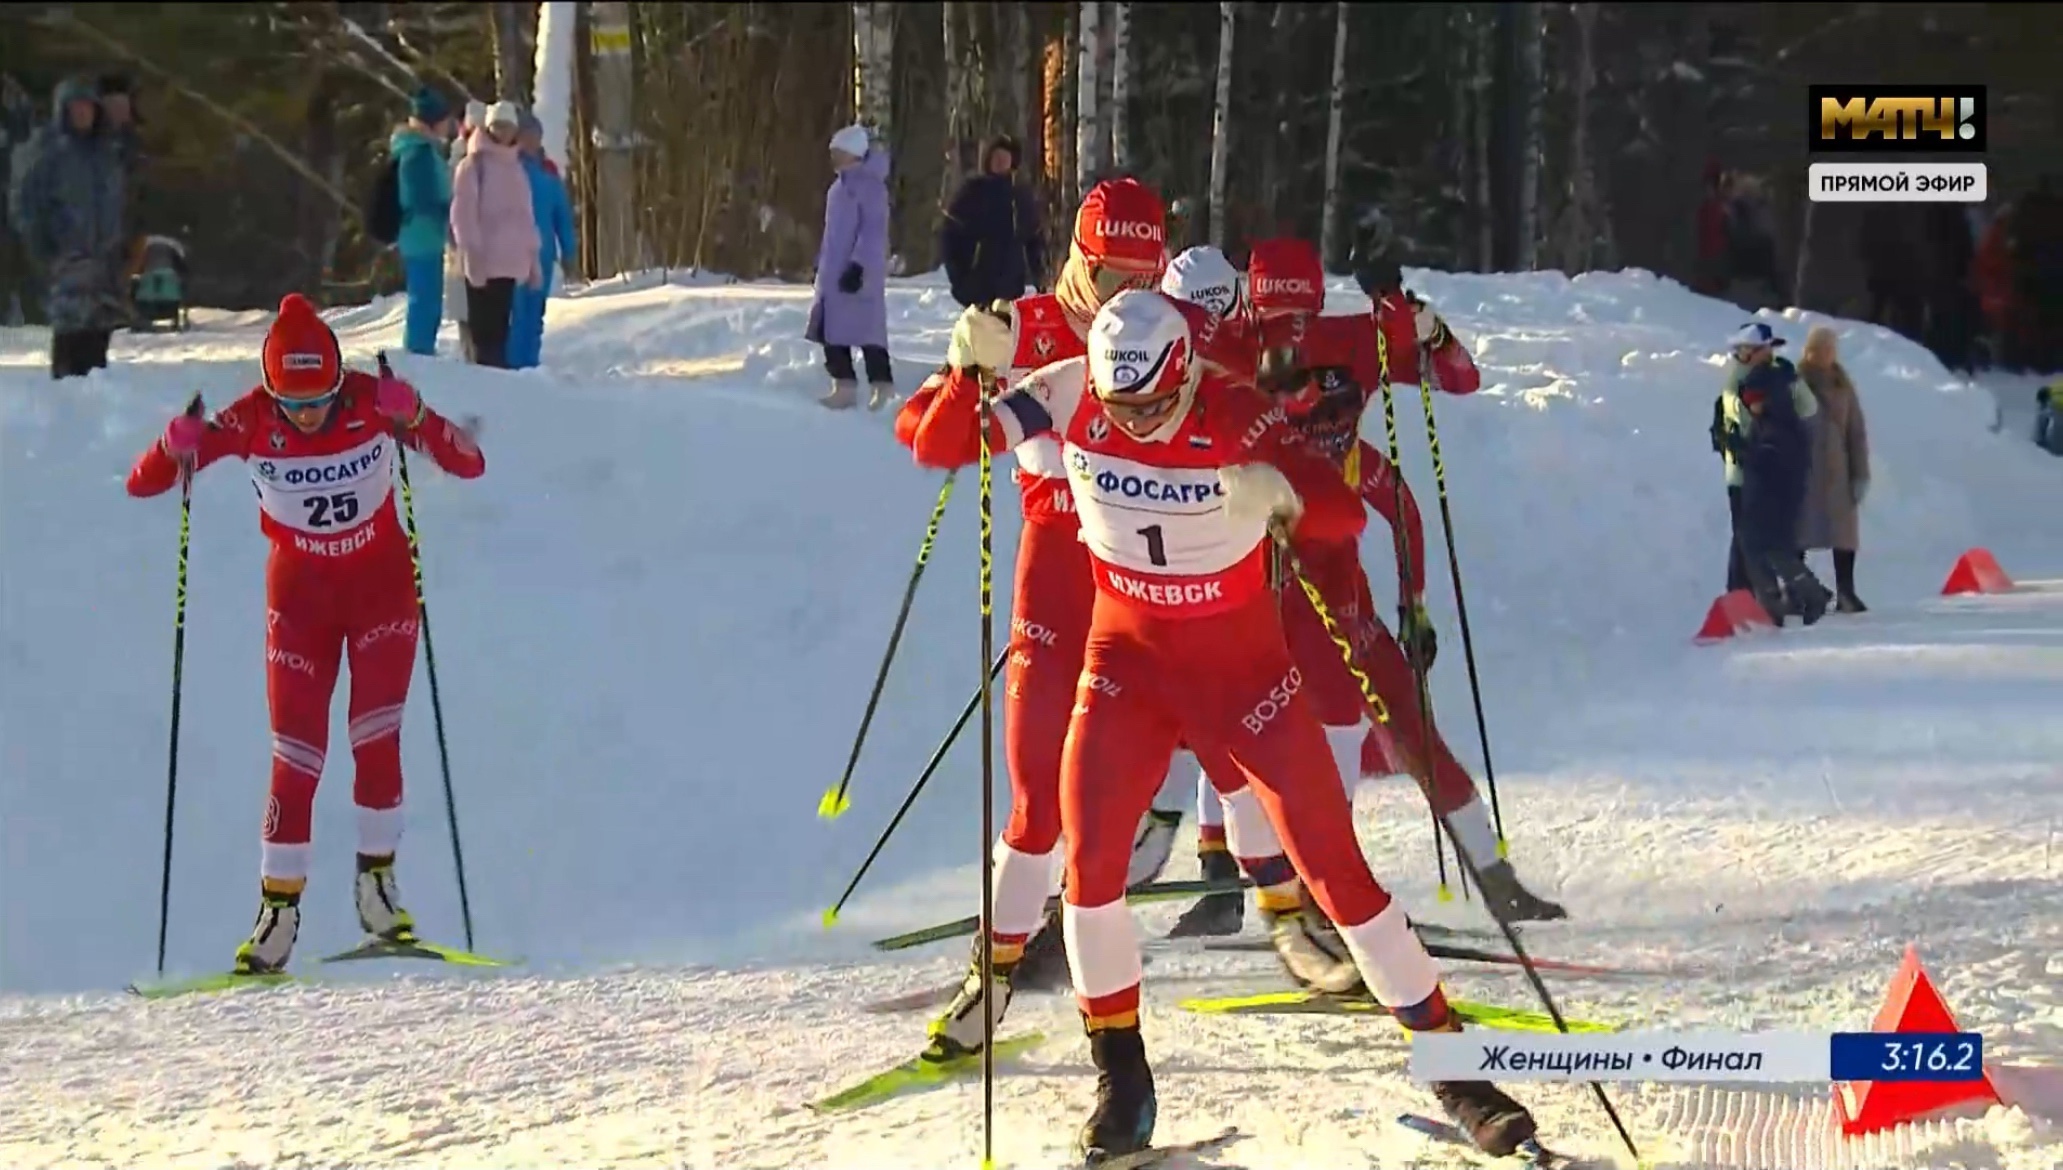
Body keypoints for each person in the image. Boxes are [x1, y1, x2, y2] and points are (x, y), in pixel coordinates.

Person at [916, 289, 1543, 1162]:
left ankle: (1457, 1071)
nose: (1133, 423)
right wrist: (962, 370)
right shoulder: (1066, 390)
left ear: (1183, 377)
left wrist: (1282, 493)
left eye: (1152, 405)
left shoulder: (1239, 414)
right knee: (1090, 872)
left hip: (1245, 681)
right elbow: (943, 446)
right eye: (1118, 406)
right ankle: (1123, 1084)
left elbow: (1343, 512)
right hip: (1126, 669)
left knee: (1335, 872)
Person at [897, 180, 1330, 1049]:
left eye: (1145, 270)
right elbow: (929, 440)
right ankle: (992, 981)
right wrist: (966, 367)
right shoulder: (1026, 329)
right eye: (1108, 272)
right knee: (1035, 801)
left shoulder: (1163, 329)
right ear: (1075, 260)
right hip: (1061, 573)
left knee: (1235, 747)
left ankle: (1289, 919)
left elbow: (1248, 391)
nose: (1125, 293)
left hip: (1156, 576)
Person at [123, 294, 486, 973]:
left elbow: (468, 462)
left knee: (375, 737)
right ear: (271, 393)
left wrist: (416, 417)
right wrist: (173, 445)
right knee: (297, 757)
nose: (310, 414)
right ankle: (278, 912)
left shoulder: (373, 399)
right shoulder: (251, 418)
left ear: (338, 378)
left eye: (321, 397)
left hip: (381, 593)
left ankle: (378, 888)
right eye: (295, 404)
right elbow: (144, 484)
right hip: (298, 605)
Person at [10, 76, 127, 379]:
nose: (82, 113)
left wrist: (115, 249)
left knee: (98, 334)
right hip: (65, 261)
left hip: (102, 261)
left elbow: (116, 204)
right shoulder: (48, 153)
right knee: (70, 335)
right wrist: (46, 252)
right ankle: (65, 403)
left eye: (87, 107)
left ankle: (92, 402)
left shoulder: (105, 154)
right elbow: (27, 206)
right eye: (76, 107)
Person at [1715, 322, 1830, 625]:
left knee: (1756, 540)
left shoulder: (1774, 378)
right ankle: (1762, 600)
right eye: (1738, 350)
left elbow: (1804, 412)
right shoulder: (1741, 377)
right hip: (1744, 469)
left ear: (1764, 349)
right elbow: (1730, 417)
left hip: (1764, 468)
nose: (1740, 356)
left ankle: (1758, 600)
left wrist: (1752, 440)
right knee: (1753, 540)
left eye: (1746, 350)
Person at [450, 100, 540, 370]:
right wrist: (471, 253)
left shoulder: (516, 167)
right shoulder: (473, 165)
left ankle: (497, 384)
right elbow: (462, 213)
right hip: (483, 261)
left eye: (508, 127)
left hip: (510, 263)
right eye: (498, 126)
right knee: (483, 332)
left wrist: (533, 258)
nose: (504, 132)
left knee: (500, 329)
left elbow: (525, 217)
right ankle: (484, 386)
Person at [810, 124, 894, 411]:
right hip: (833, 273)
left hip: (860, 273)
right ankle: (843, 385)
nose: (834, 158)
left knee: (868, 332)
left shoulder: (870, 187)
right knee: (831, 331)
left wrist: (858, 265)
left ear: (853, 153)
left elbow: (873, 231)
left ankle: (882, 386)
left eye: (838, 152)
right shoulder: (838, 187)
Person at [1794, 325, 1871, 613]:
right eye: (1818, 349)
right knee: (1799, 533)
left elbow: (1856, 431)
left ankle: (1846, 592)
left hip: (1838, 470)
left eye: (1829, 349)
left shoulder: (1843, 384)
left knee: (1844, 533)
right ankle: (1797, 591)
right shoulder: (1797, 383)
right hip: (1804, 469)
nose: (1824, 355)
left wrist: (1860, 473)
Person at [940, 133, 1044, 310]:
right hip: (977, 288)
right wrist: (960, 279)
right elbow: (950, 235)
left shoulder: (1020, 195)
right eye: (996, 157)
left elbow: (1033, 240)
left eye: (1005, 157)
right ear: (987, 160)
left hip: (1012, 289)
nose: (1000, 162)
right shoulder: (970, 192)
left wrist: (1039, 279)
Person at [390, 87, 456, 358]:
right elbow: (422, 197)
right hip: (422, 233)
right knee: (425, 298)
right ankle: (419, 352)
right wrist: (447, 212)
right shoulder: (420, 153)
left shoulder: (418, 149)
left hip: (420, 234)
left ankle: (421, 350)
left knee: (425, 296)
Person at [509, 109, 576, 370]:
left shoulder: (548, 173)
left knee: (535, 311)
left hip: (543, 252)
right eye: (526, 135)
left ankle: (530, 363)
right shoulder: (508, 166)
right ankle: (513, 365)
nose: (531, 140)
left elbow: (562, 215)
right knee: (516, 311)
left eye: (535, 135)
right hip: (513, 251)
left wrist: (569, 251)